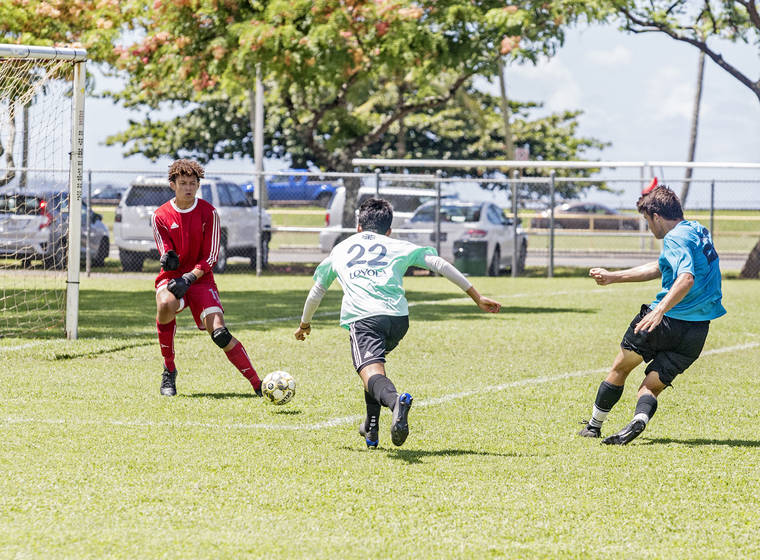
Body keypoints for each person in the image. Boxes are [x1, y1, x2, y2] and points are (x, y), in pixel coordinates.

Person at [294, 198, 501, 448]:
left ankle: (396, 403)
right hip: (398, 319)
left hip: (365, 318)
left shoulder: (340, 249)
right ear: (389, 230)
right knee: (373, 369)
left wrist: (305, 324)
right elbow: (439, 264)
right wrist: (476, 297)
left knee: (371, 372)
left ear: (358, 227)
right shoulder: (397, 245)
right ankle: (371, 429)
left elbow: (317, 291)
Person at [578, 184, 725, 445]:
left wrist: (659, 310)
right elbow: (662, 266)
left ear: (656, 216)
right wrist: (614, 277)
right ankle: (640, 419)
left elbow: (686, 278)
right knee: (650, 387)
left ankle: (593, 426)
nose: (648, 227)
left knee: (620, 368)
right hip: (696, 331)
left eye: (647, 220)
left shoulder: (674, 238)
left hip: (662, 322)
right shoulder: (697, 231)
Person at [152, 159, 262, 397]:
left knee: (220, 333)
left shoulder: (209, 212)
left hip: (200, 279)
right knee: (165, 304)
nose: (188, 188)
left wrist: (189, 278)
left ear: (198, 185)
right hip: (172, 277)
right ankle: (169, 369)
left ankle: (258, 384)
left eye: (192, 183)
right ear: (173, 185)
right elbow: (164, 249)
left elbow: (211, 256)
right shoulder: (160, 215)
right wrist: (168, 258)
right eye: (183, 183)